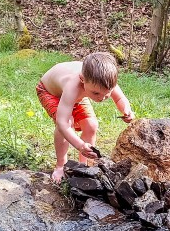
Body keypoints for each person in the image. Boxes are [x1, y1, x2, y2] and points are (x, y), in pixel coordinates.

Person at [37, 52, 135, 182]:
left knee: (91, 125)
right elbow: (62, 123)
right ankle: (61, 165)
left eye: (107, 93)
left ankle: (85, 165)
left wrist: (126, 110)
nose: (101, 98)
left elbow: (120, 98)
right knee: (68, 122)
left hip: (78, 96)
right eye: (96, 93)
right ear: (82, 79)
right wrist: (79, 145)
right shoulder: (73, 85)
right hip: (50, 92)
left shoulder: (105, 79)